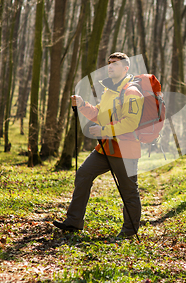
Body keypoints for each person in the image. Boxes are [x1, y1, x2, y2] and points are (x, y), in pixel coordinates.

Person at [53, 52, 144, 240]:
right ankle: (74, 221)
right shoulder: (109, 91)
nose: (110, 66)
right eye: (109, 63)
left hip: (125, 150)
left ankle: (129, 232)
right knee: (84, 173)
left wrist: (103, 130)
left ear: (126, 68)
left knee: (129, 191)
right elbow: (99, 115)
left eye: (115, 64)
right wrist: (82, 105)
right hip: (105, 149)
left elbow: (131, 123)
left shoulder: (132, 92)